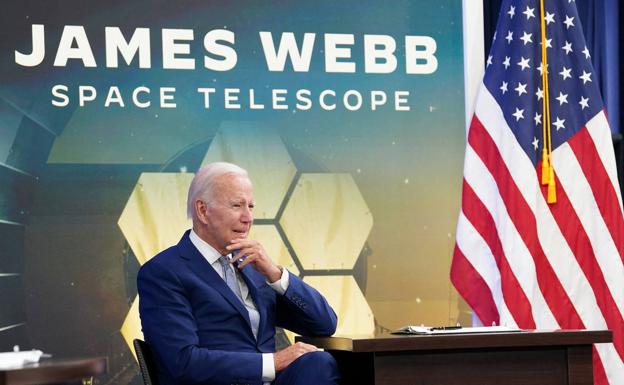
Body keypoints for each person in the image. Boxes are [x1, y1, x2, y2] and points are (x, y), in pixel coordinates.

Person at [137, 162, 340, 385]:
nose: (248, 218)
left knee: (318, 363)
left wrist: (274, 273)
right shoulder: (163, 272)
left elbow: (324, 324)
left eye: (251, 207)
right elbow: (183, 362)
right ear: (203, 210)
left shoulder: (252, 268)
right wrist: (272, 362)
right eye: (237, 205)